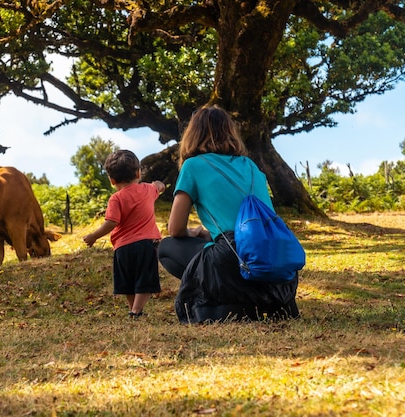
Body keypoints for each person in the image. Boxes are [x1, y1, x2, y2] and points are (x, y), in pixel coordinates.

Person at [158, 105, 300, 323]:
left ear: (192, 134)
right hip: (277, 262)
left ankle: (226, 301)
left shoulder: (193, 165)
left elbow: (175, 228)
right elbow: (254, 221)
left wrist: (193, 232)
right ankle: (255, 301)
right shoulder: (251, 166)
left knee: (166, 247)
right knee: (216, 247)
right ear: (230, 132)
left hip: (234, 259)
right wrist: (211, 234)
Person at [83, 150, 166, 318]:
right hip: (146, 244)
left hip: (123, 248)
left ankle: (133, 309)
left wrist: (93, 236)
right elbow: (159, 186)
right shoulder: (148, 190)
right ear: (138, 173)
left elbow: (111, 222)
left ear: (112, 180)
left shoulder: (116, 198)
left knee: (128, 282)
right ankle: (136, 311)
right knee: (145, 280)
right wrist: (159, 184)